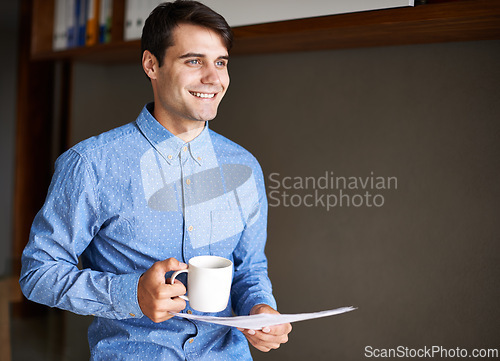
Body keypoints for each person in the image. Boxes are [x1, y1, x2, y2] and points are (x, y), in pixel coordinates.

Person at [19, 1, 291, 360]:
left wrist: (260, 309)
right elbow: (39, 273)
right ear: (152, 65)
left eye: (221, 62)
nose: (213, 77)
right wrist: (131, 294)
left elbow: (250, 268)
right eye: (194, 61)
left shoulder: (244, 167)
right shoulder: (91, 164)